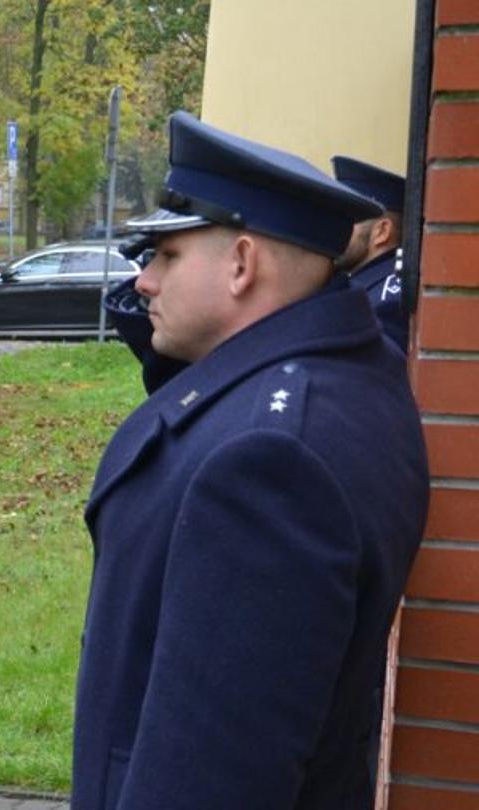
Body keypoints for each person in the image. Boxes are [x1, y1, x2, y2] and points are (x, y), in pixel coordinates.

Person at [72, 112, 429, 809]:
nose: (144, 281)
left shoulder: (269, 465)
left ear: (241, 264)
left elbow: (210, 778)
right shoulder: (344, 373)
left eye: (168, 256)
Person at [332, 156, 409, 350]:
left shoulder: (384, 305)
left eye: (348, 221)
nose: (333, 231)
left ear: (381, 232)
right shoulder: (365, 288)